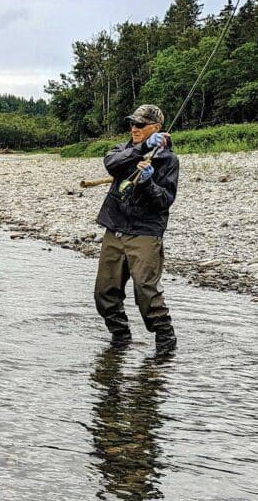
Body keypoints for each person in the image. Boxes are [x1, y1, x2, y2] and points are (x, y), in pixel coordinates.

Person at [94, 104, 179, 355]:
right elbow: (111, 164)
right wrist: (141, 148)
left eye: (140, 125)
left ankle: (166, 345)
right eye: (132, 123)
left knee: (145, 291)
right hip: (115, 227)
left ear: (156, 128)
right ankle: (120, 339)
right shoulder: (124, 150)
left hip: (145, 231)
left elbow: (164, 200)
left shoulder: (169, 160)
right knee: (104, 293)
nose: (134, 128)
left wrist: (147, 183)